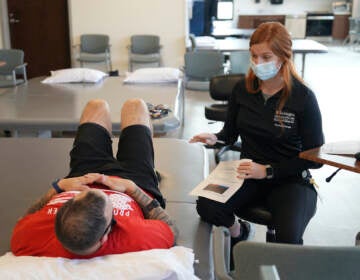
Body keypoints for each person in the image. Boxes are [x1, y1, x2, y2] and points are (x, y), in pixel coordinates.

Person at [190, 22, 324, 245]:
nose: (258, 63)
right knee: (206, 205)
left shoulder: (303, 98)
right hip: (248, 173)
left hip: (290, 179)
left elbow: (316, 158)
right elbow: (230, 134)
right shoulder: (243, 89)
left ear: (283, 57)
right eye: (254, 56)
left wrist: (268, 171)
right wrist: (217, 138)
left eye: (266, 57)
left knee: (288, 239)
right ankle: (239, 232)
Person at [11, 98, 178, 258]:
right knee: (135, 106)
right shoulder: (133, 237)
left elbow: (23, 221)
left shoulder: (28, 238)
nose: (96, 189)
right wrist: (133, 189)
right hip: (134, 180)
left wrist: (58, 187)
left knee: (96, 105)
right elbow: (170, 229)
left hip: (84, 174)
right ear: (104, 237)